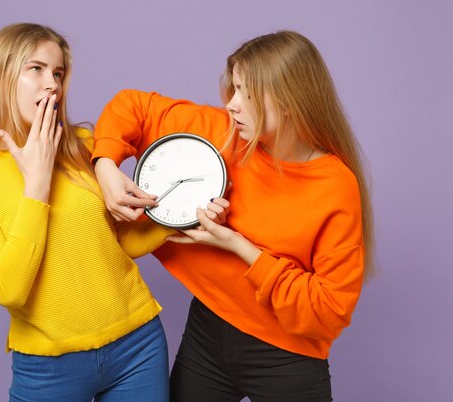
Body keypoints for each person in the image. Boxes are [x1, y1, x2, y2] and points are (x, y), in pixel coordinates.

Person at [92, 30, 375, 402]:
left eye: (247, 93)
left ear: (291, 100)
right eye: (234, 88)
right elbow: (133, 106)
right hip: (207, 334)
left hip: (286, 358)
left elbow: (327, 312)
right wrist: (105, 165)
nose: (232, 104)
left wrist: (237, 246)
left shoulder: (335, 185)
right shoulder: (221, 133)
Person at [0, 23, 201, 402]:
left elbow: (122, 239)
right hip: (49, 368)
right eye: (37, 69)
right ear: (1, 76)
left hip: (137, 346)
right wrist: (37, 180)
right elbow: (10, 289)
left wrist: (187, 208)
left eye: (58, 73)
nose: (52, 85)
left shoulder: (82, 145)